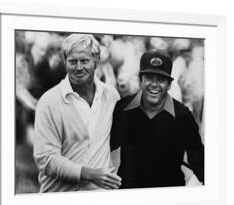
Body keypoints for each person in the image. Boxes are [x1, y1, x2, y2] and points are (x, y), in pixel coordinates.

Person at [33, 33, 122, 192]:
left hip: (101, 199)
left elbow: (116, 144)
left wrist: (113, 177)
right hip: (60, 198)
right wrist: (89, 174)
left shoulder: (111, 96)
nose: (79, 67)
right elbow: (45, 159)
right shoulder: (49, 102)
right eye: (73, 61)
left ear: (96, 62)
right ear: (65, 62)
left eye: (85, 61)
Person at [110, 50, 204, 189]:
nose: (154, 84)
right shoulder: (122, 109)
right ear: (140, 80)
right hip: (129, 195)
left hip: (169, 197)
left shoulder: (183, 116)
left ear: (169, 85)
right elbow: (109, 145)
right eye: (149, 77)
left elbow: (200, 162)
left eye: (161, 79)